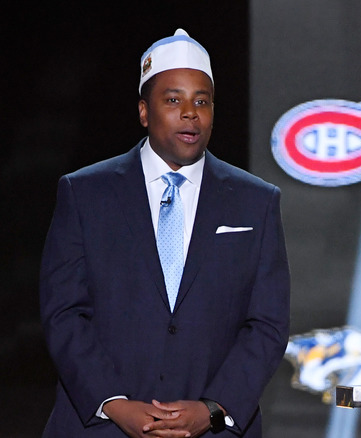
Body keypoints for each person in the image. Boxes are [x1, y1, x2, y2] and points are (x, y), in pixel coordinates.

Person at [39, 29, 290, 436]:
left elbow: (268, 323)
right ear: (144, 111)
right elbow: (64, 312)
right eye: (173, 100)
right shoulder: (84, 192)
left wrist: (212, 408)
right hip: (100, 427)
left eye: (202, 101)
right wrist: (116, 405)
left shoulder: (256, 201)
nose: (190, 112)